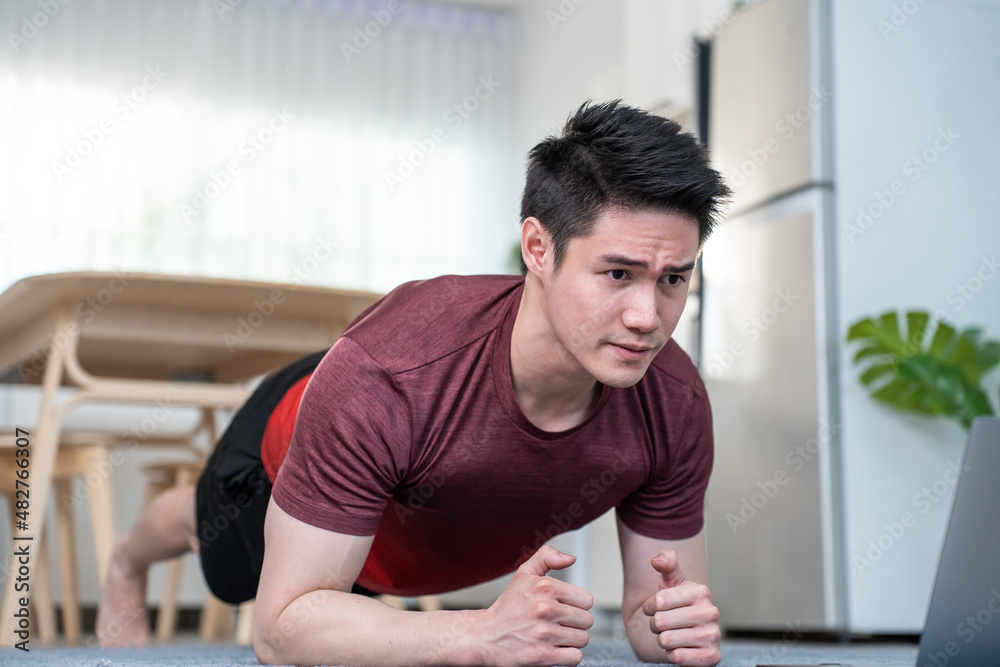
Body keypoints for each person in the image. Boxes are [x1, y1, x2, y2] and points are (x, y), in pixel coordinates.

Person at [98, 99, 731, 667]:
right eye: (618, 274)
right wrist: (478, 634)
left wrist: (674, 626)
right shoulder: (384, 379)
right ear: (537, 249)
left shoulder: (673, 401)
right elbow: (280, 630)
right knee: (214, 541)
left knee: (357, 617)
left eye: (673, 279)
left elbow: (655, 617)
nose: (648, 319)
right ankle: (127, 560)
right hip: (288, 446)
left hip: (400, 520)